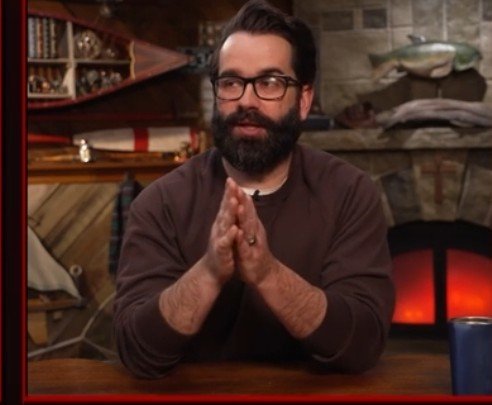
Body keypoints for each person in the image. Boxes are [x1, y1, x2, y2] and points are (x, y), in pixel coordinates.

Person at [113, 0, 395, 379]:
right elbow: (136, 351)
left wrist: (267, 274)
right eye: (231, 82)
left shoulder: (349, 193)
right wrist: (210, 271)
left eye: (270, 83)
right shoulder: (161, 203)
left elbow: (363, 344)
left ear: (304, 99)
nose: (246, 100)